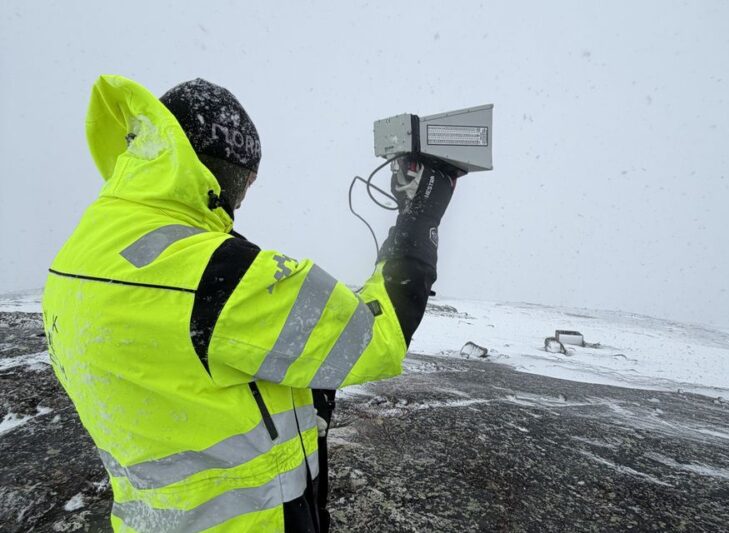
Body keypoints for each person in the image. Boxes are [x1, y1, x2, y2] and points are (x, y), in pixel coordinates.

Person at [41, 75, 459, 532]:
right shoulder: (217, 276)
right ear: (223, 171)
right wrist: (419, 221)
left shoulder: (79, 256)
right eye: (247, 181)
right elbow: (377, 337)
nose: (243, 197)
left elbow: (178, 370)